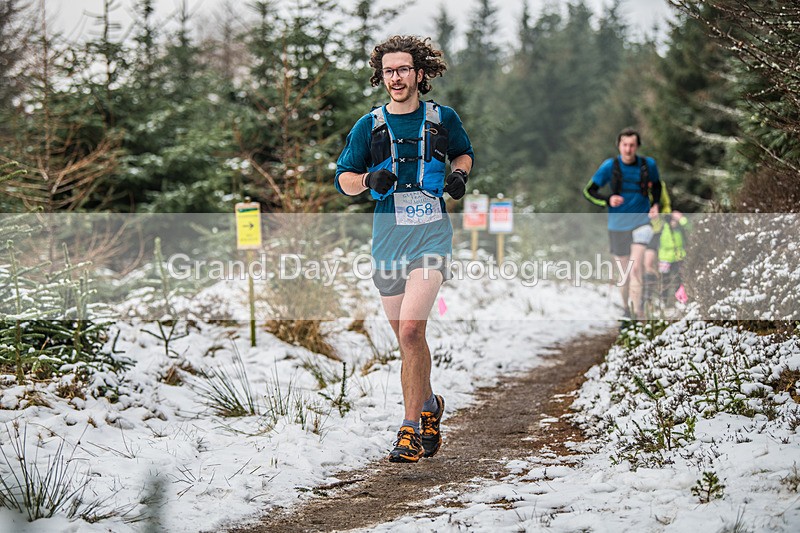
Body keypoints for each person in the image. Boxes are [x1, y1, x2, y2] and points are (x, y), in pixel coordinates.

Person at [334, 35, 474, 463]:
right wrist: (366, 182)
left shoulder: (442, 118)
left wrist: (459, 178)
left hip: (432, 236)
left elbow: (464, 155)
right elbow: (343, 177)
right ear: (383, 75)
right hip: (388, 240)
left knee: (413, 331)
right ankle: (429, 406)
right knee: (405, 338)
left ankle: (409, 429)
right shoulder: (369, 125)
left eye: (404, 69)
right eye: (389, 70)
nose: (396, 77)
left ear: (419, 74)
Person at [583, 128, 661, 319]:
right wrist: (607, 199)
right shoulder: (610, 167)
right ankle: (627, 309)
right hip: (617, 226)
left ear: (637, 146)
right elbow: (589, 191)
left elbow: (657, 185)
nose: (628, 149)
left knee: (636, 268)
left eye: (632, 145)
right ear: (619, 146)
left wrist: (655, 204)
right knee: (624, 274)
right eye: (625, 145)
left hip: (642, 222)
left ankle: (637, 312)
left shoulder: (648, 165)